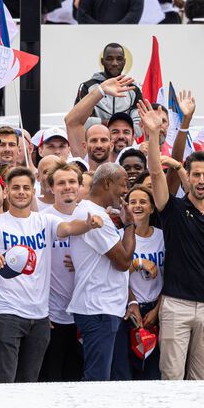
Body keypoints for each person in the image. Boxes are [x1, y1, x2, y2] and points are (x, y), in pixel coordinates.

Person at [0, 167, 104, 383]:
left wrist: (88, 224)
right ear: (6, 192)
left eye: (25, 188)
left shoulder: (45, 220)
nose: (21, 192)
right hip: (6, 313)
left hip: (39, 317)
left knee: (30, 383)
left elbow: (69, 227)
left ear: (33, 191)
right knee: (2, 383)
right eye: (15, 188)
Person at [141, 104, 204, 380]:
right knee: (171, 377)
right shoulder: (171, 208)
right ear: (188, 174)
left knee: (201, 380)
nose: (201, 180)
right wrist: (152, 134)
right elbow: (158, 173)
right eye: (196, 174)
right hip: (175, 305)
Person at [68, 163, 136, 381]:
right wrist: (129, 225)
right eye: (123, 184)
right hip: (98, 309)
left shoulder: (98, 214)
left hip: (103, 308)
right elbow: (123, 261)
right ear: (107, 183)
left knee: (103, 379)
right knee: (96, 380)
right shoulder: (93, 216)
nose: (126, 191)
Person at [38, 163, 85, 382]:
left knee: (78, 379)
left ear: (79, 185)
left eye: (72, 181)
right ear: (51, 188)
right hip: (51, 316)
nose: (67, 187)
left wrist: (83, 262)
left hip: (84, 314)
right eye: (61, 183)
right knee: (52, 379)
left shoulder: (92, 215)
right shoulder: (40, 219)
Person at [119, 184, 164, 380]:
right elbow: (115, 273)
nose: (137, 206)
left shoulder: (163, 236)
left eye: (143, 202)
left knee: (153, 372)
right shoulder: (120, 236)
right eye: (132, 202)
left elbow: (172, 275)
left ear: (152, 208)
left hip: (157, 310)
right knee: (128, 370)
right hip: (129, 311)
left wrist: (157, 309)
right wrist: (137, 263)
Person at [73, 44, 142, 124]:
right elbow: (78, 121)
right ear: (102, 61)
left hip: (124, 136)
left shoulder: (134, 89)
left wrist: (119, 130)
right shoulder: (87, 87)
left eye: (119, 59)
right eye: (109, 59)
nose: (114, 63)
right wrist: (105, 123)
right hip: (95, 136)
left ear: (124, 62)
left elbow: (138, 127)